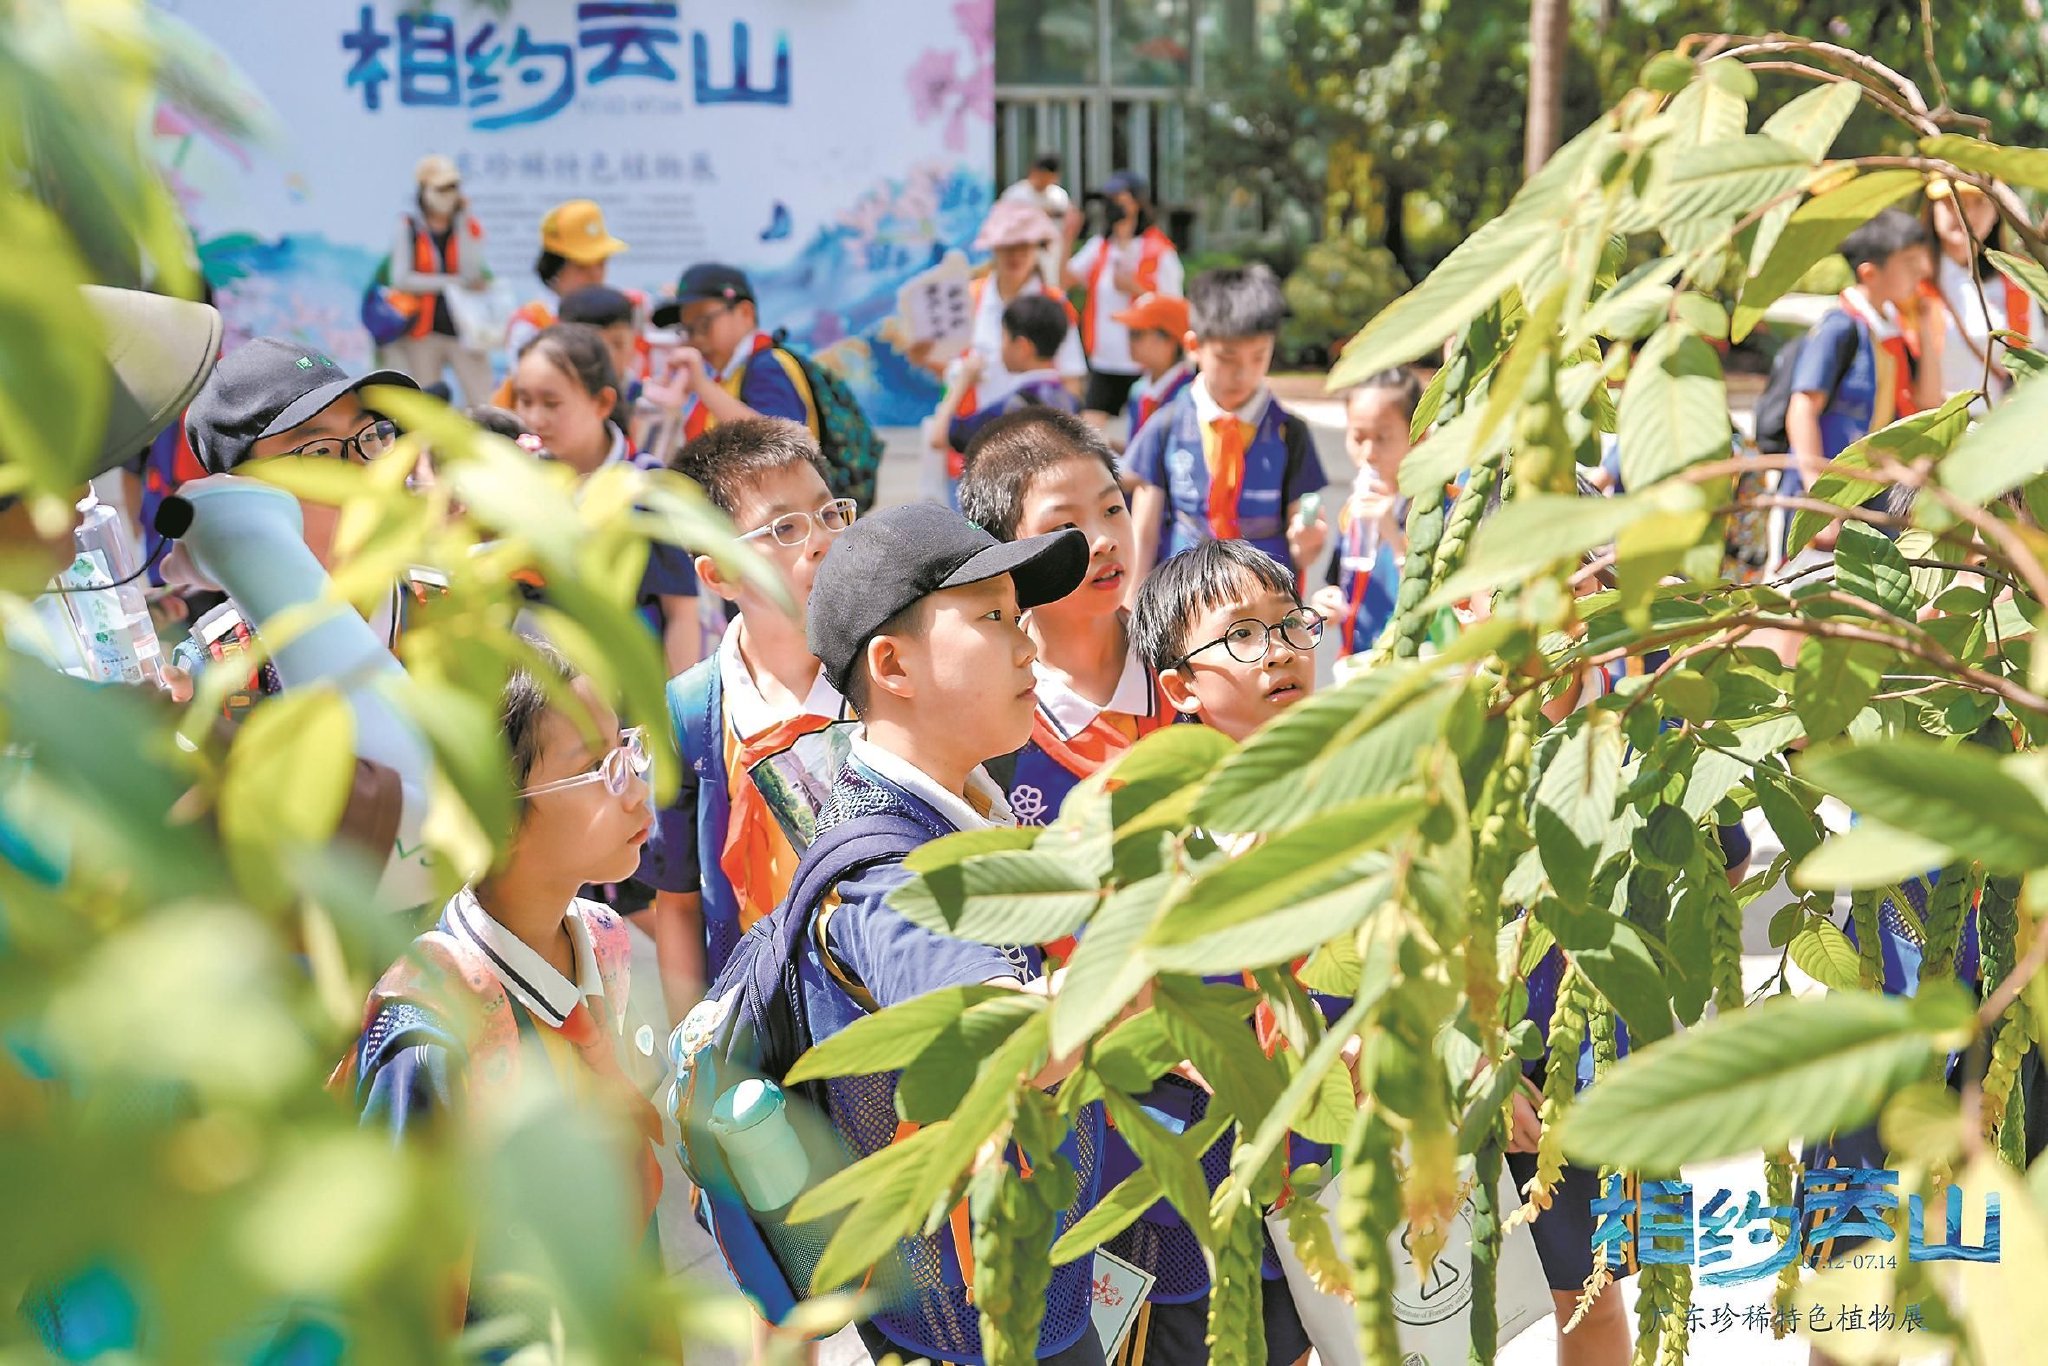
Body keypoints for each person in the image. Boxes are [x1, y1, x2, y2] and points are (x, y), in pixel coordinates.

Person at [796, 501, 1108, 1364]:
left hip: (1033, 1289)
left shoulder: (974, 809)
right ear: (892, 665)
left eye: (1023, 616)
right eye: (994, 618)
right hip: (960, 1329)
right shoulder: (879, 878)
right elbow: (1002, 1043)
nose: (1029, 645)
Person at [329, 647, 666, 1344]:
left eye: (626, 751)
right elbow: (408, 1310)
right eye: (596, 767)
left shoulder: (602, 939)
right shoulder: (430, 1033)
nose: (634, 788)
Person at [1124, 537, 1323, 1365]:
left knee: (1302, 1336)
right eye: (1241, 635)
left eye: (1289, 625)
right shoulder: (1149, 822)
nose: (1277, 650)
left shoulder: (1356, 791)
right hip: (1198, 1182)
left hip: (1322, 1168)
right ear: (1180, 688)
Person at [637, 418, 854, 1016]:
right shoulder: (692, 712)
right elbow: (678, 902)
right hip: (764, 1031)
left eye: (830, 514)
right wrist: (697, 1065)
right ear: (718, 574)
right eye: (784, 527)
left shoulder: (890, 673)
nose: (819, 541)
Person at [956, 408, 1174, 833]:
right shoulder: (986, 717)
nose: (1105, 540)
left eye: (1112, 508)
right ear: (1005, 550)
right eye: (1066, 525)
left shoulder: (1185, 667)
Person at [509, 323, 701, 677]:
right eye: (523, 399)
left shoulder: (644, 488)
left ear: (602, 402)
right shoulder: (515, 484)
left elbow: (681, 615)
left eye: (552, 403)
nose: (534, 418)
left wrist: (675, 718)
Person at [1125, 265, 1329, 594]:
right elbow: (1144, 533)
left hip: (1263, 602)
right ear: (1194, 347)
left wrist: (1309, 540)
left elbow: (1304, 548)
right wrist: (1131, 613)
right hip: (1186, 600)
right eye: (1227, 358)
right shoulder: (1167, 425)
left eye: (1259, 357)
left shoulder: (1290, 433)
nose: (1243, 374)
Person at [1783, 208, 1943, 558]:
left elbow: (1929, 401)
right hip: (1827, 495)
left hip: (1874, 497)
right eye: (1910, 261)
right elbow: (1801, 410)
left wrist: (1926, 325)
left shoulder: (1892, 329)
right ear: (1870, 273)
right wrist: (1819, 500)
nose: (1923, 270)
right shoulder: (1840, 328)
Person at [918, 198, 1087, 395]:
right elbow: (945, 367)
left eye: (1023, 245)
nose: (1015, 254)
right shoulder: (969, 297)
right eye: (1007, 246)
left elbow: (1071, 377)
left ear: (1036, 248)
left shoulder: (1055, 304)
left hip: (1036, 422)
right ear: (994, 248)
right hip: (977, 421)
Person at [1310, 367, 1421, 658]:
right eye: (1358, 438)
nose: (1368, 452)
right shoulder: (1352, 512)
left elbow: (1438, 601)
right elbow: (1339, 587)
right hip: (1357, 661)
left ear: (1419, 436)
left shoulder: (1436, 508)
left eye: (1383, 438)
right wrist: (1328, 605)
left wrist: (1393, 536)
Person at [646, 263, 820, 446]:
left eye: (704, 323)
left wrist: (702, 385)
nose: (696, 338)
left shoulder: (768, 365)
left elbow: (781, 442)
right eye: (687, 329)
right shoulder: (725, 378)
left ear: (745, 313)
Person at [1065, 171, 1184, 422]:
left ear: (1137, 202)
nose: (1112, 205)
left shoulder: (1159, 251)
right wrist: (1067, 236)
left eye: (1119, 197)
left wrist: (1135, 289)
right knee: (1089, 440)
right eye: (1109, 198)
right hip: (1104, 362)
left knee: (1143, 437)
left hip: (1143, 365)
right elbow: (1063, 281)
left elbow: (1174, 308)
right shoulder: (1100, 247)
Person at [378, 153, 493, 407]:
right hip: (423, 331)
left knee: (484, 401)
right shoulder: (408, 227)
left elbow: (472, 271)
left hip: (466, 330)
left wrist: (463, 218)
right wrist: (450, 283)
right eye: (440, 188)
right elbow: (401, 279)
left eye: (453, 187)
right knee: (426, 404)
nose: (448, 194)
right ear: (424, 191)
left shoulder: (467, 224)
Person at [1922, 176, 2042, 410]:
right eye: (1951, 200)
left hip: (2001, 428)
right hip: (1933, 429)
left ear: (1996, 211)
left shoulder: (2018, 278)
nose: (1964, 212)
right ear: (1931, 208)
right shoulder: (1913, 279)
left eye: (1978, 201)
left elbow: (2035, 352)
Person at [932, 293, 1082, 478]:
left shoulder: (1011, 409)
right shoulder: (1070, 402)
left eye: (1003, 337)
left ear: (1022, 346)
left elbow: (939, 437)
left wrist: (962, 381)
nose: (1001, 347)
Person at [504, 199, 629, 370]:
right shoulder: (531, 324)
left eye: (601, 263)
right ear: (554, 268)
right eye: (582, 266)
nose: (595, 275)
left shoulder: (620, 311)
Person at [1113, 292, 1195, 448]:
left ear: (1169, 341)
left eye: (1136, 334)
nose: (1129, 341)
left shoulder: (1190, 394)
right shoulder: (1139, 391)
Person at [999, 149, 1079, 286]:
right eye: (1042, 176)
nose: (1045, 182)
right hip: (1022, 258)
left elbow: (1069, 221)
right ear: (1033, 171)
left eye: (1050, 178)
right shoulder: (1015, 195)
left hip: (1051, 256)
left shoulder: (1058, 196)